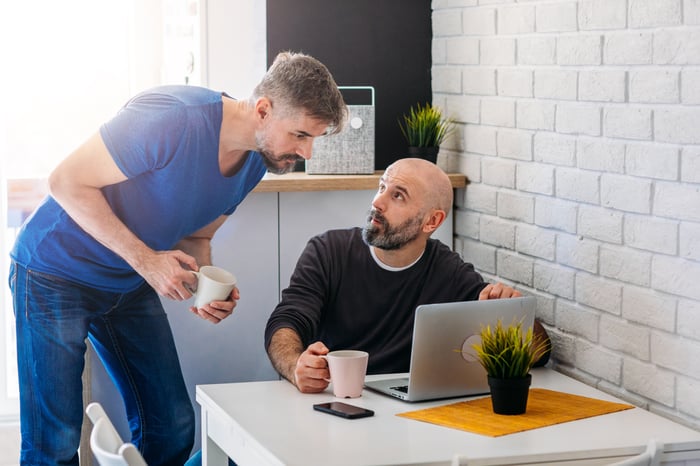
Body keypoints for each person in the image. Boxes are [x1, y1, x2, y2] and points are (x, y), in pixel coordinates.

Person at [8, 51, 346, 465]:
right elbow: (65, 181)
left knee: (172, 427)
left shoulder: (255, 164)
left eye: (314, 138)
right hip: (55, 270)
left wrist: (206, 283)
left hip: (127, 281)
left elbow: (197, 233)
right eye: (300, 135)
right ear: (263, 109)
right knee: (55, 441)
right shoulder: (172, 118)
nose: (307, 153)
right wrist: (148, 262)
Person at [265, 158, 550, 393]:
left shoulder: (447, 271)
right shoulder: (328, 252)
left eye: (397, 195)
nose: (378, 201)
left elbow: (541, 350)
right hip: (336, 401)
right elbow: (286, 321)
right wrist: (295, 366)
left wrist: (511, 317)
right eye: (382, 187)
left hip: (408, 413)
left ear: (432, 221)